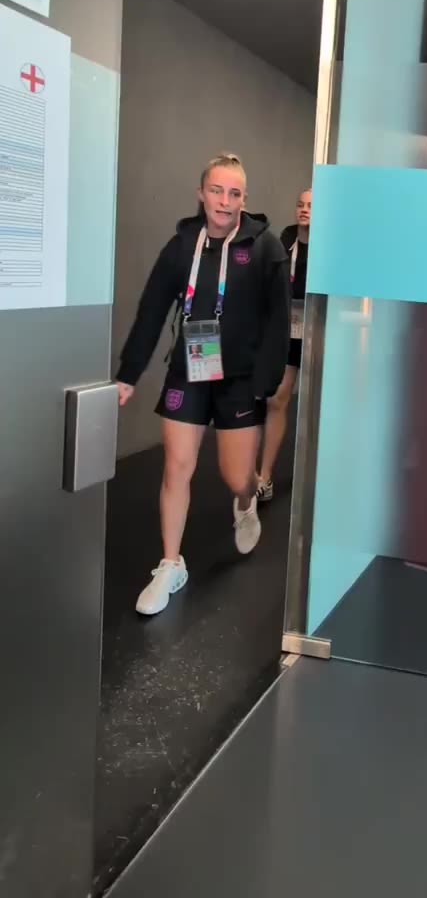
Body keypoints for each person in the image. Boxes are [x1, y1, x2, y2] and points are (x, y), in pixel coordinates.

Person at [115, 153, 290, 616]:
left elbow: (278, 320)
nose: (225, 201)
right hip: (190, 367)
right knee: (177, 466)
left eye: (234, 193)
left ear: (244, 199)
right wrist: (129, 373)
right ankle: (171, 564)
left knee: (237, 477)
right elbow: (152, 309)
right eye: (217, 190)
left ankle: (245, 502)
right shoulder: (181, 245)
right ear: (201, 193)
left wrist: (267, 379)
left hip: (240, 378)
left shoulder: (266, 248)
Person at [256, 189, 311, 503]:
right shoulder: (285, 241)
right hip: (291, 329)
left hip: (321, 332)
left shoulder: (330, 245)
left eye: (311, 206)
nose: (304, 210)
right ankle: (264, 477)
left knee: (321, 406)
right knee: (277, 399)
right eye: (300, 205)